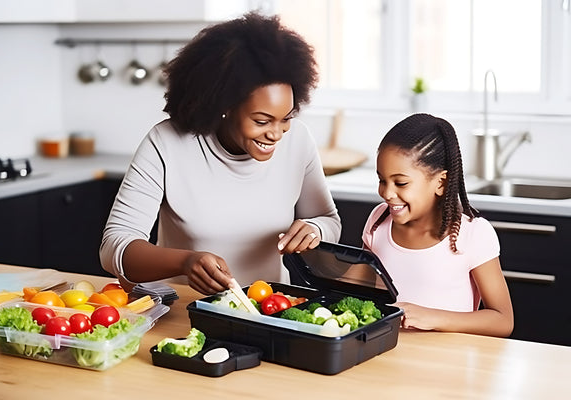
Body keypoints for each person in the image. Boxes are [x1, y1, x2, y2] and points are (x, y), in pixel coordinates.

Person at [100, 12, 341, 295]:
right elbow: (114, 246)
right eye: (262, 121)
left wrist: (315, 229)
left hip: (271, 311)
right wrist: (186, 261)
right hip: (186, 311)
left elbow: (328, 220)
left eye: (285, 118)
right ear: (223, 106)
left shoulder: (298, 140)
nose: (276, 134)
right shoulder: (167, 142)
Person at [360, 113, 513, 337]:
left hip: (449, 364)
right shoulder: (378, 221)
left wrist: (432, 317)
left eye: (400, 182)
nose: (387, 193)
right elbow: (358, 294)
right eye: (382, 180)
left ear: (440, 182)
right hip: (388, 357)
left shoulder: (472, 234)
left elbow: (503, 320)